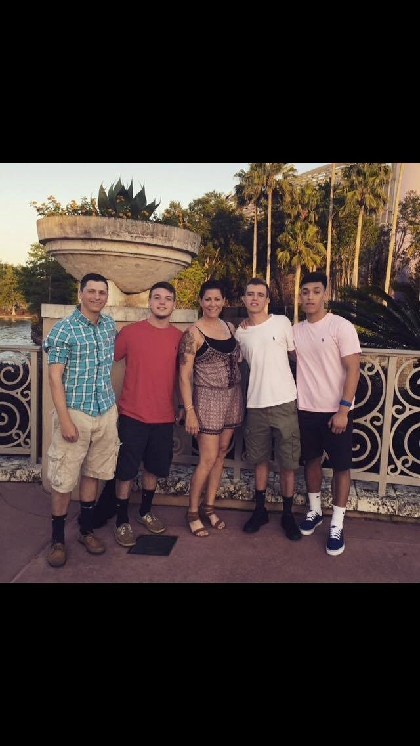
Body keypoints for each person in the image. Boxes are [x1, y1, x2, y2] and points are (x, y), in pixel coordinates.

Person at [43, 272, 119, 568]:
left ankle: (86, 531)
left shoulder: (109, 326)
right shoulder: (64, 330)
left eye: (102, 292)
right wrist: (64, 420)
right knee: (63, 479)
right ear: (80, 294)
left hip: (105, 411)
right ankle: (57, 540)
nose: (97, 297)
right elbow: (54, 378)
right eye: (92, 291)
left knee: (93, 473)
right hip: (75, 412)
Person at [110, 282, 184, 547]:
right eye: (157, 298)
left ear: (174, 304)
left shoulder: (179, 337)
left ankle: (144, 512)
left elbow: (183, 377)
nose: (162, 302)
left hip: (164, 417)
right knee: (126, 471)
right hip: (132, 415)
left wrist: (183, 406)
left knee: (153, 469)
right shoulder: (130, 333)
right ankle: (121, 521)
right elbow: (105, 358)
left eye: (167, 298)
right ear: (149, 302)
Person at [292, 271, 361, 556]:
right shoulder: (295, 331)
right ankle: (315, 511)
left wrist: (343, 409)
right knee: (311, 461)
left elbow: (353, 369)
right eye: (305, 291)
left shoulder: (340, 326)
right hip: (306, 410)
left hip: (336, 412)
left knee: (341, 467)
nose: (310, 297)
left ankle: (337, 523)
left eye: (316, 291)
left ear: (326, 294)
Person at [235, 278, 302, 541]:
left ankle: (287, 514)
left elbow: (297, 356)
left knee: (288, 462)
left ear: (267, 300)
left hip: (284, 402)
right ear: (244, 299)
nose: (255, 298)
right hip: (256, 405)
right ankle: (260, 510)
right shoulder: (240, 333)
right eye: (250, 294)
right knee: (259, 460)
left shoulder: (282, 323)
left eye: (260, 294)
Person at [179, 279, 244, 537]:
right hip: (207, 399)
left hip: (232, 397)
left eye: (217, 299)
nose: (212, 304)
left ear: (224, 302)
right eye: (208, 299)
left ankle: (209, 507)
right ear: (200, 301)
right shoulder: (193, 333)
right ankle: (192, 512)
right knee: (207, 458)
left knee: (221, 453)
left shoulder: (229, 327)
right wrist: (189, 410)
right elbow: (184, 376)